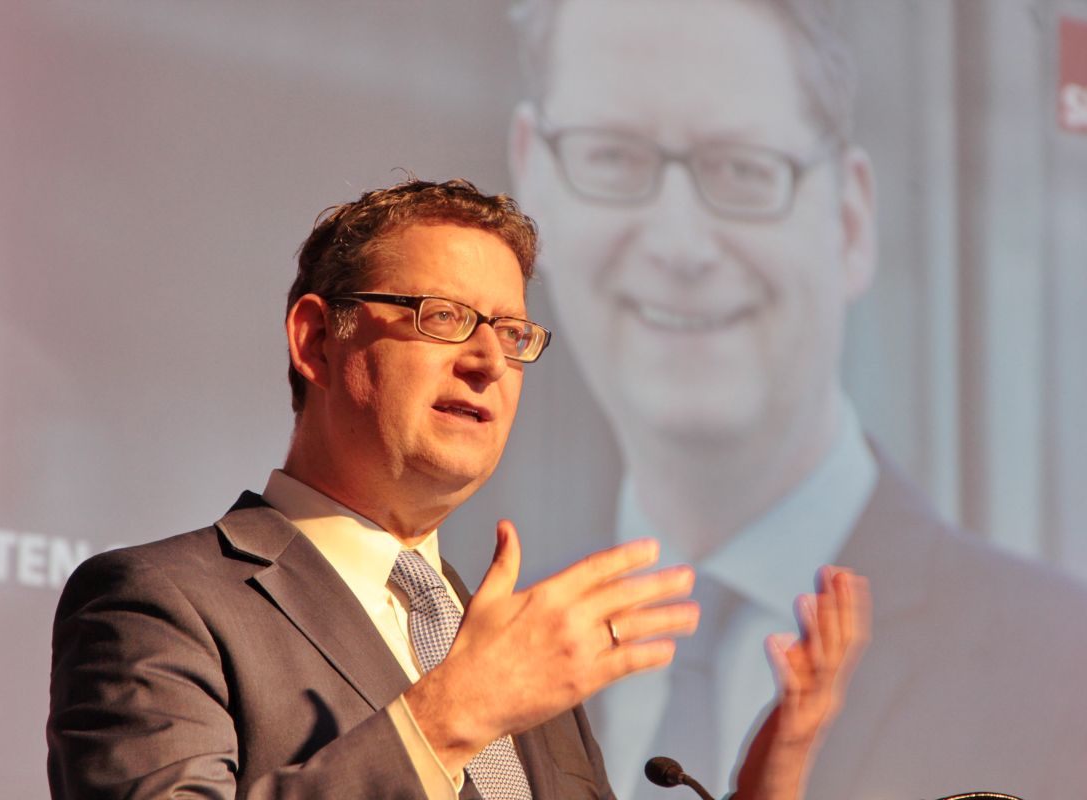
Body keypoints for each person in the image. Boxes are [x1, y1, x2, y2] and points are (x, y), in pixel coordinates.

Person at [46, 178, 869, 800]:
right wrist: (450, 718)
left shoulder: (509, 654)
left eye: (511, 333)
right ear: (316, 341)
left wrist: (768, 784)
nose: (487, 361)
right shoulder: (159, 602)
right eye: (442, 316)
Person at [507, 1, 1087, 798]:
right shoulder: (491, 641)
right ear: (532, 180)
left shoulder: (1060, 657)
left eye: (742, 170)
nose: (679, 244)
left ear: (850, 218)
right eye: (612, 157)